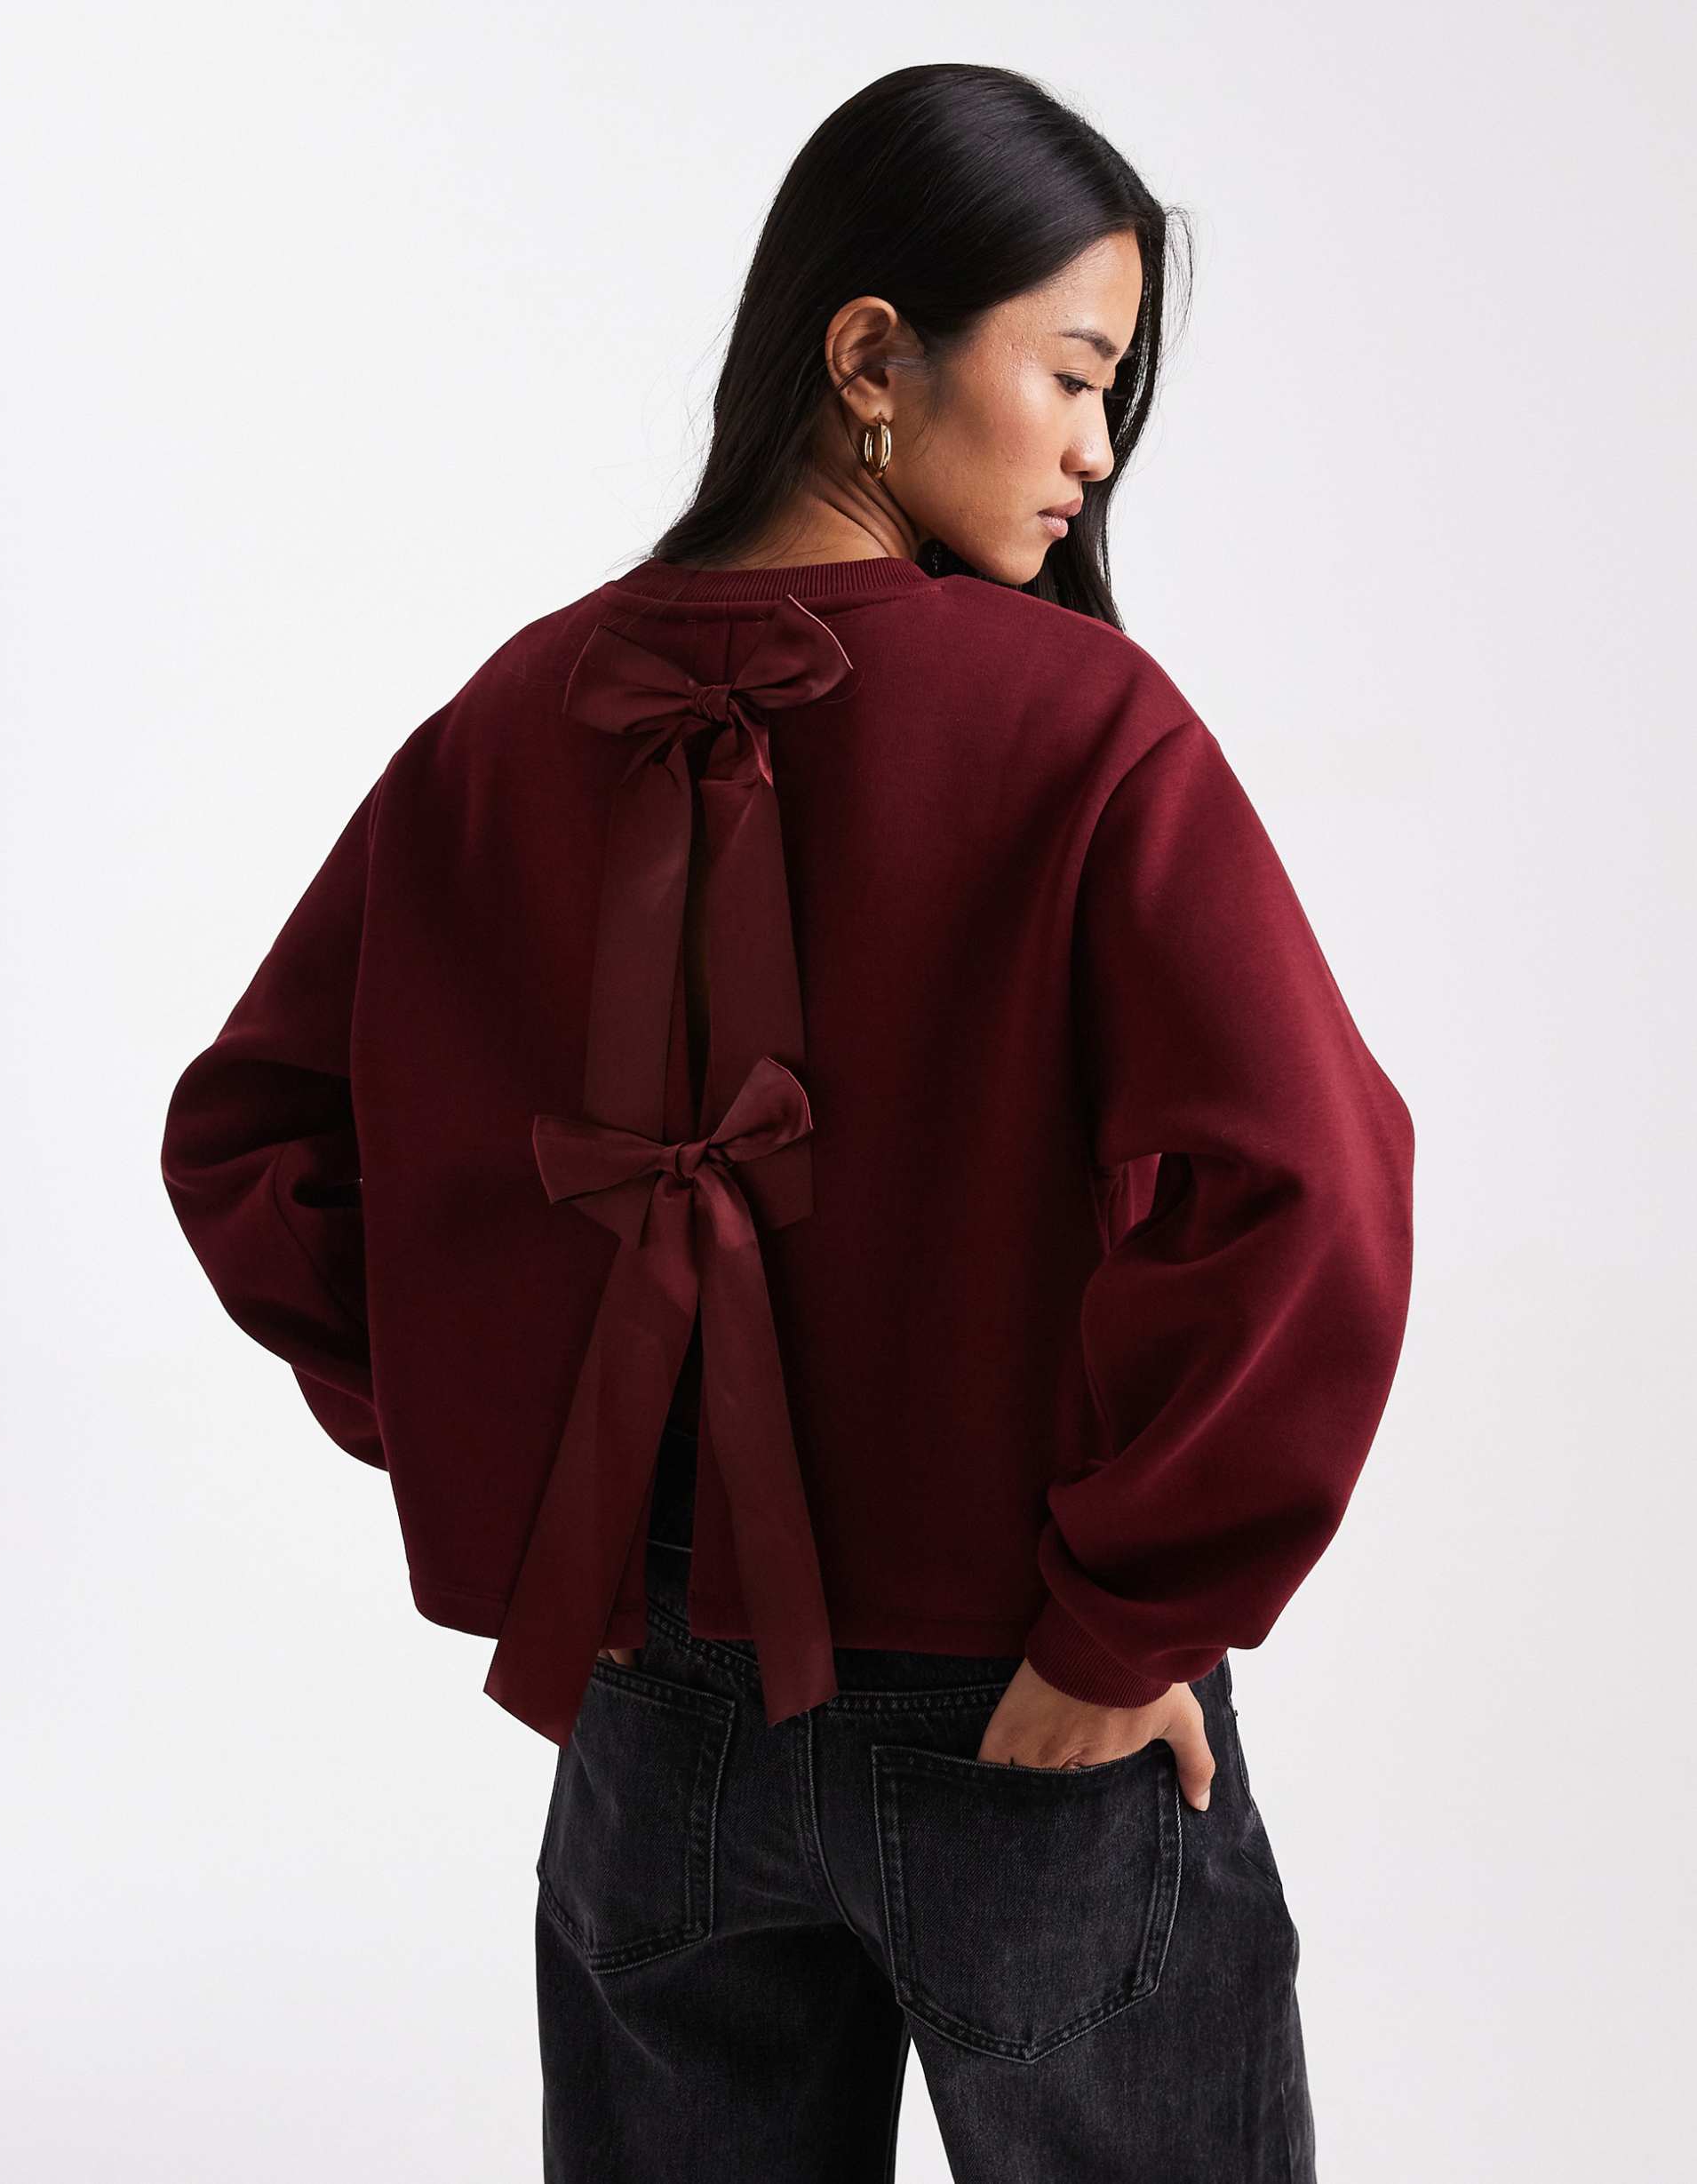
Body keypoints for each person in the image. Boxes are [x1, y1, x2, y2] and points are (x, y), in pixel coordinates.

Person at [159, 61, 1414, 2184]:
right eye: (1076, 373)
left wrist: (525, 1452)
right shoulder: (1085, 726)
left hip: (652, 1716)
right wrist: (1126, 1616)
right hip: (1023, 1699)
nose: (1100, 451)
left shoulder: (516, 711)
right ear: (869, 356)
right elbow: (1314, 1190)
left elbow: (251, 1143)